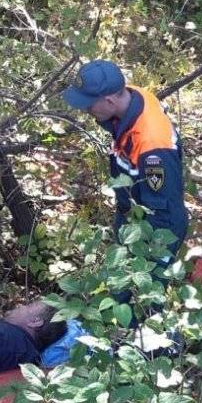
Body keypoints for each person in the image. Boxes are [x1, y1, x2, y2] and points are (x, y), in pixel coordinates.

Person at [62, 60, 189, 316]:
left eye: (89, 103)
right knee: (120, 285)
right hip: (133, 214)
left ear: (109, 101)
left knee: (138, 297)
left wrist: (147, 254)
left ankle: (147, 345)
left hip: (158, 226)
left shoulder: (153, 146)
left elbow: (162, 210)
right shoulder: (130, 95)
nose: (86, 109)